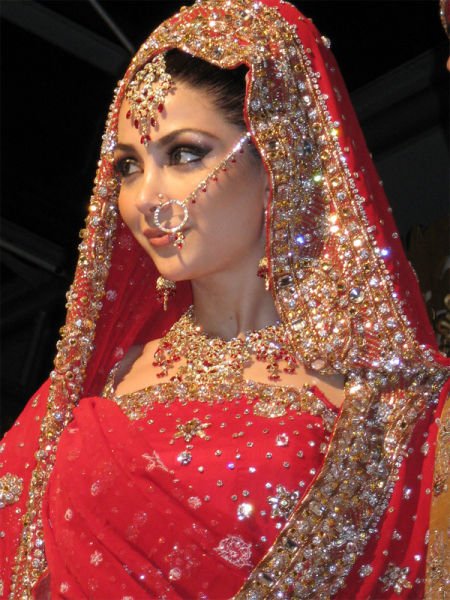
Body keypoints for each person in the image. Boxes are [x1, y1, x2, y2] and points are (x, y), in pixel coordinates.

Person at [1, 0, 449, 597]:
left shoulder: (386, 413)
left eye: (185, 155)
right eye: (129, 167)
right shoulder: (92, 384)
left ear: (277, 158)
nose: (146, 199)